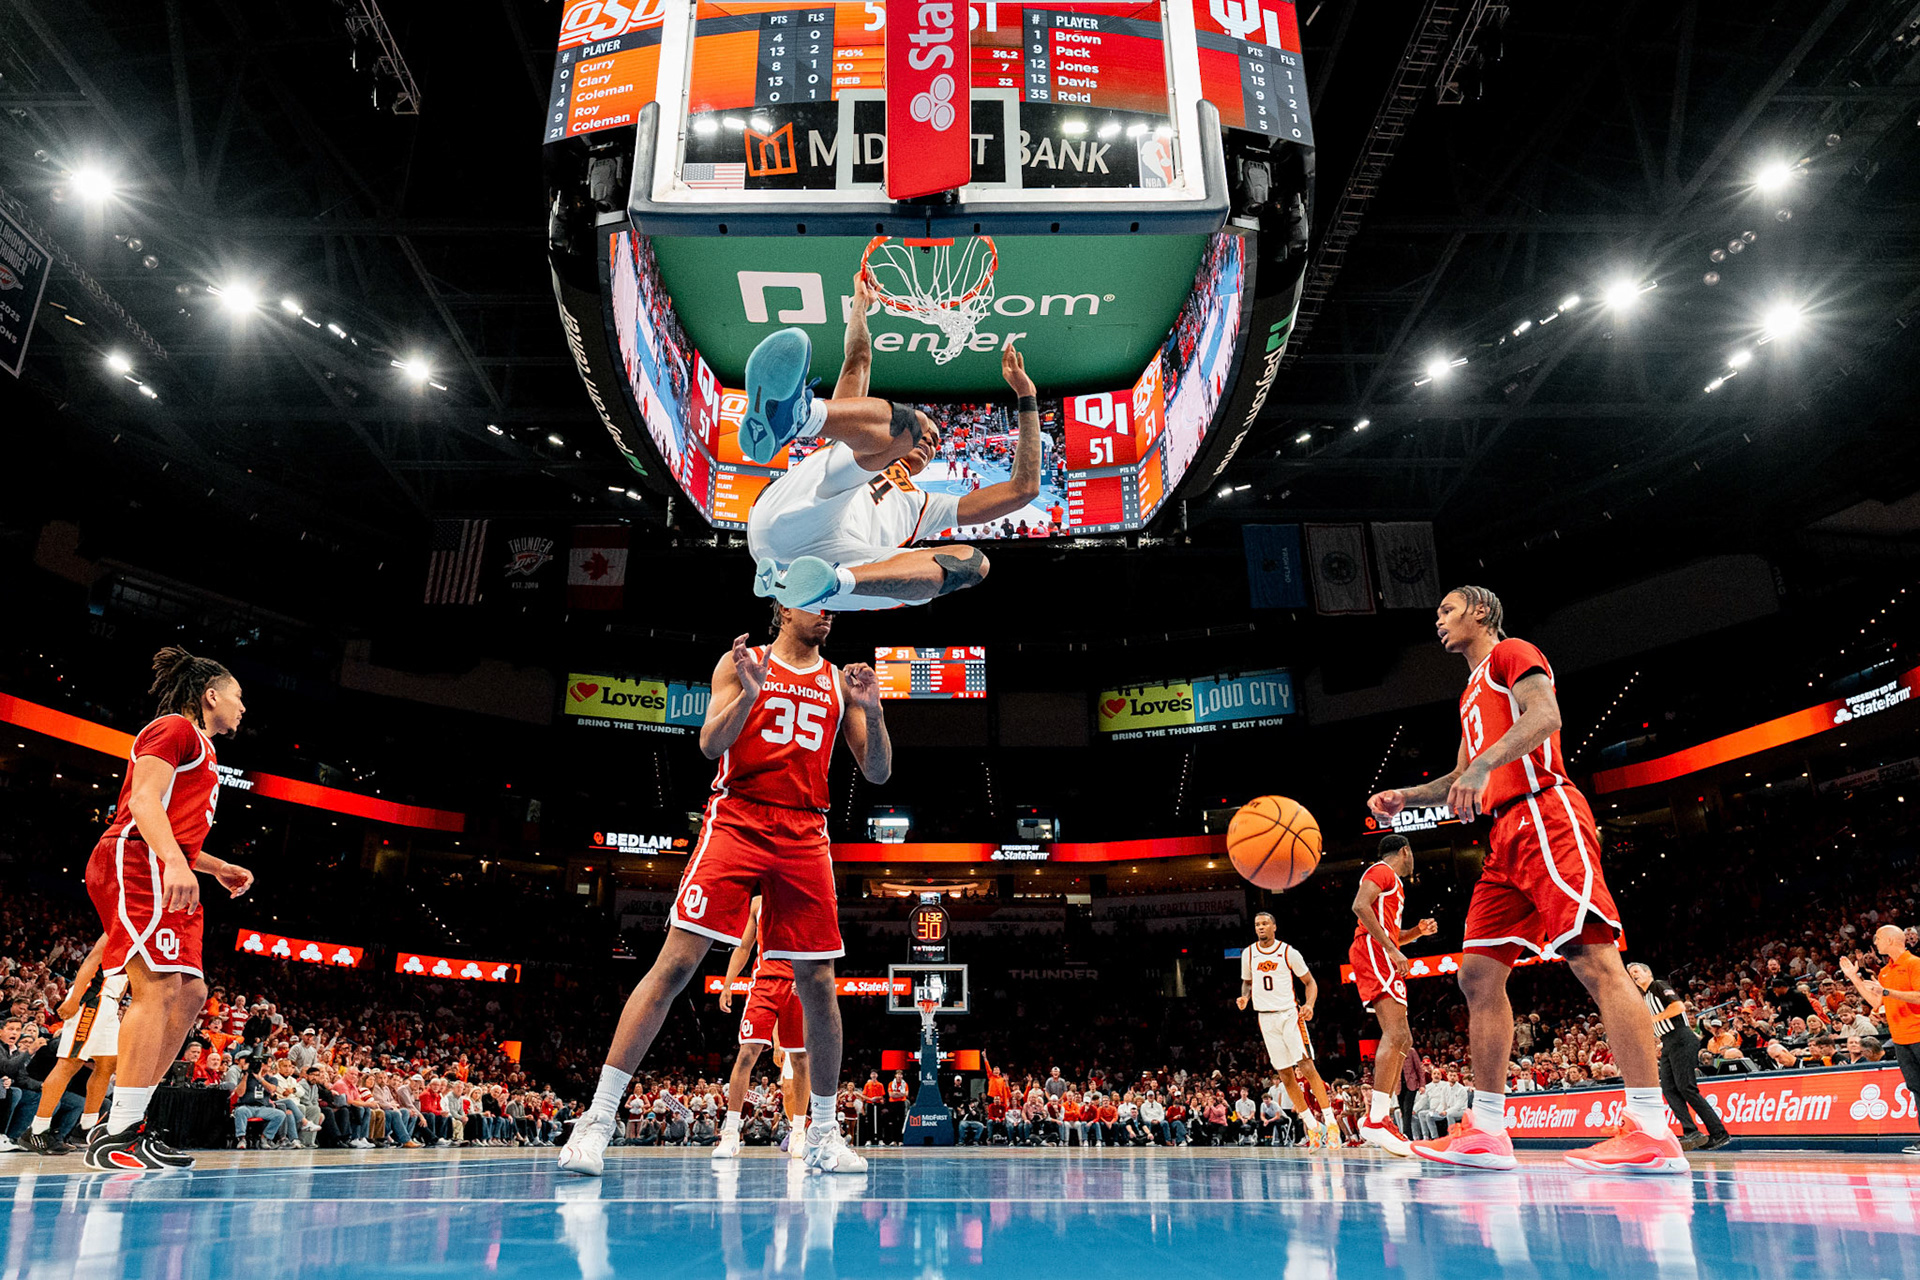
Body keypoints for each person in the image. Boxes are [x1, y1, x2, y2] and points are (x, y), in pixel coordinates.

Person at [559, 605, 888, 1177]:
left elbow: (878, 771)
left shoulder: (840, 681)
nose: (827, 613)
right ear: (782, 606)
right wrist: (749, 696)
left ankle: (824, 1135)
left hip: (805, 829)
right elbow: (710, 744)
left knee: (819, 983)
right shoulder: (742, 662)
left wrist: (874, 713)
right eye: (815, 600)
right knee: (675, 965)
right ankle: (597, 1121)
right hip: (738, 818)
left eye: (831, 603)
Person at [1374, 587, 1685, 1175]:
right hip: (1503, 838)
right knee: (1476, 976)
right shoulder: (1470, 691)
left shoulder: (1512, 652)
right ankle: (1488, 1131)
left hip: (1545, 813)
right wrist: (1406, 797)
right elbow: (1463, 775)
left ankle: (1652, 1129)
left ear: (1481, 612)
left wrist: (1485, 765)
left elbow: (1545, 717)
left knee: (1595, 960)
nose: (1438, 620)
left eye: (1447, 610)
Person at [745, 278, 1042, 612]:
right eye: (928, 437)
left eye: (935, 442)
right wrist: (860, 304)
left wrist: (1027, 396)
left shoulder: (926, 507)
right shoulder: (853, 439)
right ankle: (796, 418)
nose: (929, 441)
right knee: (899, 431)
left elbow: (1023, 490)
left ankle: (831, 581)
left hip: (830, 574)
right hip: (794, 519)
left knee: (972, 563)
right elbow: (858, 359)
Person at [82, 648, 255, 1173]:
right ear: (211, 695)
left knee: (191, 992)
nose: (243, 707)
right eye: (238, 696)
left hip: (163, 862)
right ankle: (116, 1133)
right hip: (136, 859)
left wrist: (215, 866)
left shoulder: (203, 748)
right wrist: (176, 863)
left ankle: (130, 1118)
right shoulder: (173, 729)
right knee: (156, 986)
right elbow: (143, 804)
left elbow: (176, 830)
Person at [1347, 834, 1438, 1156]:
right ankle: (1377, 1118)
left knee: (1404, 1038)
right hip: (1373, 951)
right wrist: (1390, 949)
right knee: (1396, 1033)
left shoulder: (1393, 884)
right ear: (1404, 851)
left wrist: (1417, 933)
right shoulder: (1382, 871)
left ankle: (1379, 1116)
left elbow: (1392, 933)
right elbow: (1359, 906)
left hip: (1379, 949)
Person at [712, 895, 810, 1162]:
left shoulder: (802, 899)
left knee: (800, 1058)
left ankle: (798, 1132)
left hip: (795, 985)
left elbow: (813, 944)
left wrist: (806, 976)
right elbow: (744, 946)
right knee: (746, 1054)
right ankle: (730, 1133)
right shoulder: (757, 903)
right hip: (763, 985)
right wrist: (728, 984)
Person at [1236, 911, 1338, 1148]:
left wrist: (1309, 1004)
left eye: (1265, 923)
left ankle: (1331, 1123)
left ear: (1274, 926)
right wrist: (1244, 997)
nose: (1260, 927)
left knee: (1307, 1067)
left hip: (1289, 1014)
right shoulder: (1248, 953)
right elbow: (1247, 982)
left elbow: (1310, 982)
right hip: (1265, 1017)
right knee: (1284, 1075)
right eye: (1257, 924)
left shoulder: (1288, 952)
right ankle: (1312, 1126)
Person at [17, 934, 120, 1154]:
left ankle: (86, 1128)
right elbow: (92, 959)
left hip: (110, 1000)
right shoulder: (120, 925)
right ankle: (37, 1130)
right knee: (70, 1063)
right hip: (93, 997)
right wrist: (74, 999)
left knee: (108, 1064)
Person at [1626, 963, 1731, 1149]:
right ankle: (1691, 1131)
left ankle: (1719, 1133)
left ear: (1648, 972)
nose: (1633, 975)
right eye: (1630, 973)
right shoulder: (1645, 997)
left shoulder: (1658, 985)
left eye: (1636, 971)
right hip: (1668, 1042)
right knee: (1669, 1089)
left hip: (1681, 1038)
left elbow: (1678, 1006)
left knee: (1686, 1087)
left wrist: (1652, 1019)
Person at [1839, 924, 1920, 1154]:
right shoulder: (1885, 971)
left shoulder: (1914, 964)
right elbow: (1877, 1003)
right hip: (1901, 1039)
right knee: (1916, 1088)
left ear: (1891, 940)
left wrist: (1886, 992)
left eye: (1878, 938)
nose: (1875, 942)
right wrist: (1854, 978)